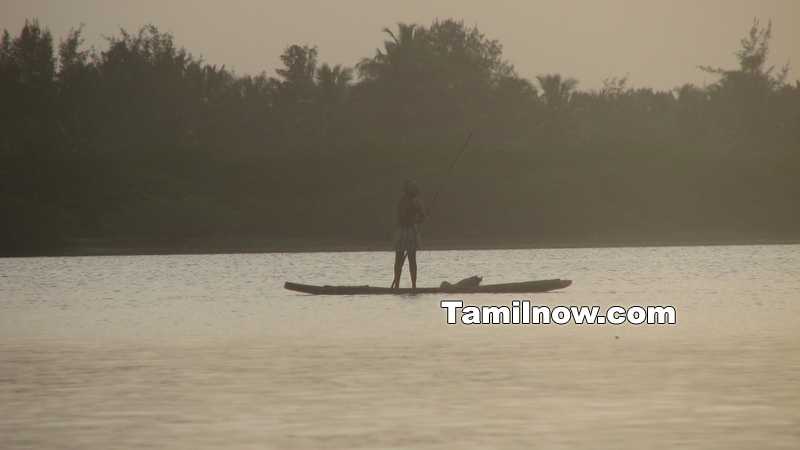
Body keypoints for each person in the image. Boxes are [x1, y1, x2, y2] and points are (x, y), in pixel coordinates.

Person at [391, 180, 425, 289]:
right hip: (403, 231)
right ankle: (397, 285)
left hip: (410, 231)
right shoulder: (403, 201)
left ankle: (414, 286)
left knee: (411, 259)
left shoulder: (415, 202)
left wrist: (419, 219)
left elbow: (421, 216)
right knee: (399, 259)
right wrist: (418, 218)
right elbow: (402, 216)